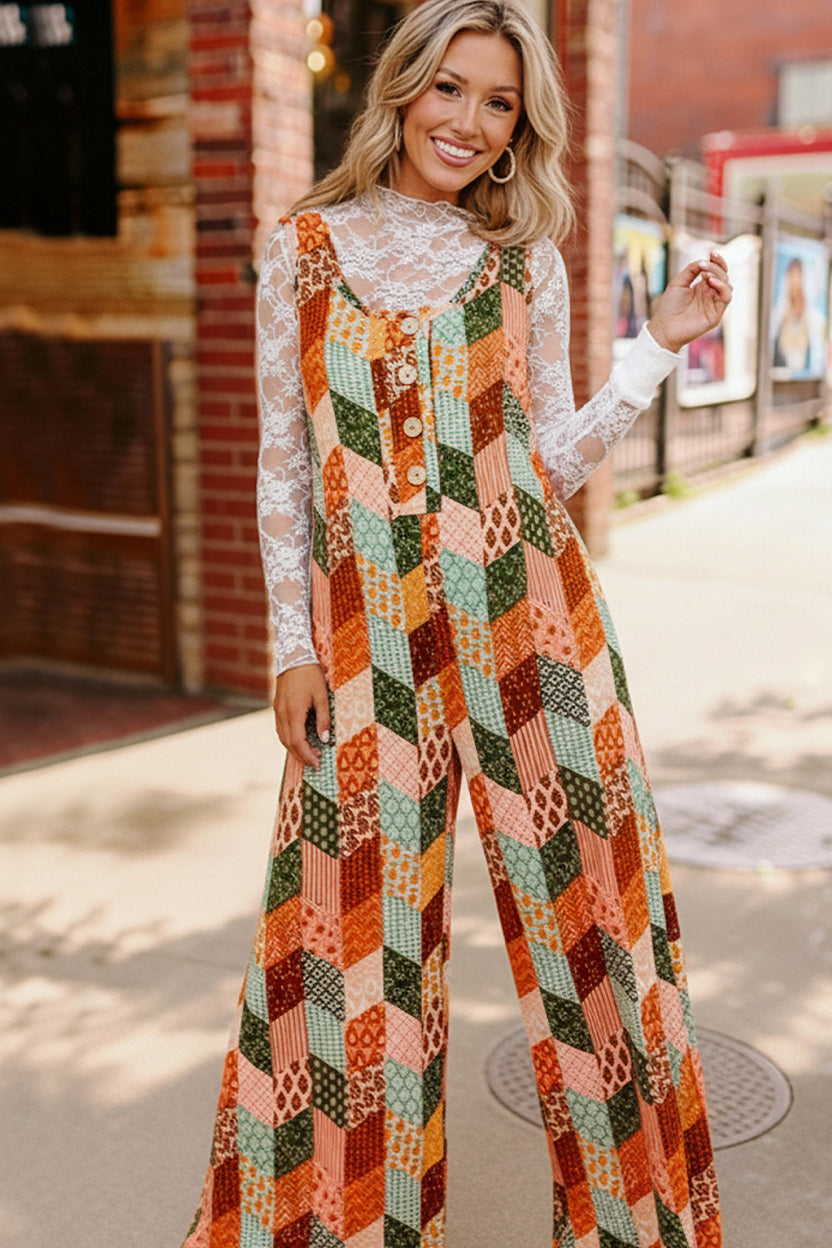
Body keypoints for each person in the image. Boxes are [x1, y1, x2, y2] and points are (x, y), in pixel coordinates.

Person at [182, 2, 731, 1245]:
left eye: (499, 104)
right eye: (450, 88)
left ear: (518, 130)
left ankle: (635, 1225)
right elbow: (282, 467)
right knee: (343, 951)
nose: (469, 123)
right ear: (401, 88)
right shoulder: (303, 250)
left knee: (597, 930)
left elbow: (547, 457)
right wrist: (290, 647)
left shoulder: (521, 262)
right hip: (363, 642)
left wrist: (655, 349)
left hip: (531, 621)